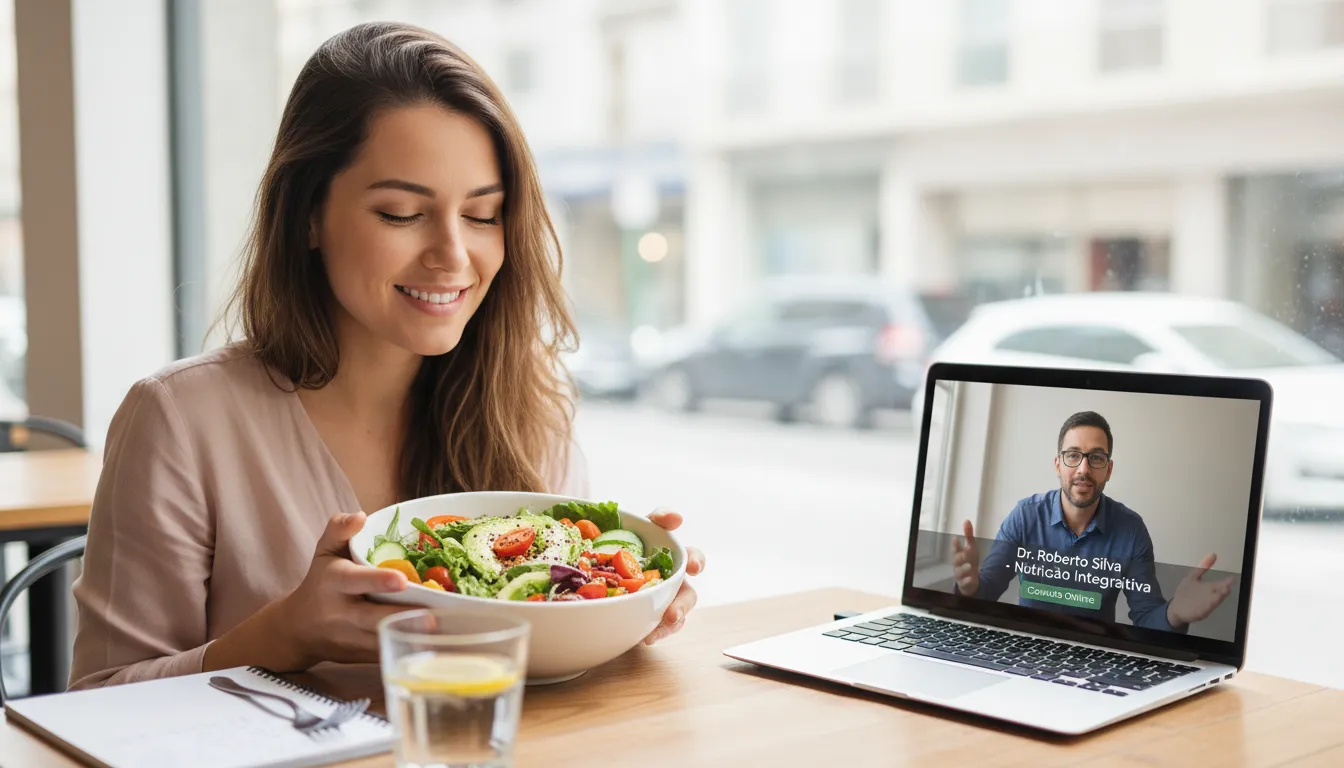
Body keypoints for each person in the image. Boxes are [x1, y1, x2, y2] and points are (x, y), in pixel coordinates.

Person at [67, 21, 704, 690]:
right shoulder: (180, 420)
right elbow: (97, 699)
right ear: (307, 217)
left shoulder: (531, 409)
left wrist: (621, 612)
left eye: (482, 215)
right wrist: (280, 639)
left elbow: (541, 666)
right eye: (401, 213)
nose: (453, 256)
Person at [951, 411, 1232, 633]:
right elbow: (986, 591)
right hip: (1028, 645)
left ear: (1108, 469)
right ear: (1058, 464)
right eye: (1073, 456)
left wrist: (1175, 612)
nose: (1083, 469)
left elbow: (1146, 616)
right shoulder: (1025, 516)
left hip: (1096, 654)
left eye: (1096, 458)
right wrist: (968, 588)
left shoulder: (1131, 530)